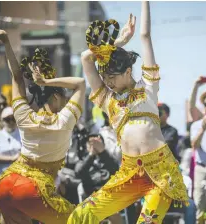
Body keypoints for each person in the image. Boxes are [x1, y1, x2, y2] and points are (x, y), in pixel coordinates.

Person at [67, 2, 188, 224]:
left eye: (112, 76)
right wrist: (117, 43)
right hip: (129, 173)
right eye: (105, 78)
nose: (108, 82)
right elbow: (86, 58)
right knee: (80, 215)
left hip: (161, 173)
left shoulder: (147, 88)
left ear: (128, 71)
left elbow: (144, 36)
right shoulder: (108, 100)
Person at [0, 28, 85, 224]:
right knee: (82, 219)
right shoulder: (63, 120)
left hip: (5, 184)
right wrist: (45, 81)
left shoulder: (23, 116)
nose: (65, 101)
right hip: (30, 189)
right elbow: (80, 83)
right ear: (56, 96)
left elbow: (16, 78)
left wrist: (6, 42)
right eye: (63, 97)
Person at [0, 107, 21, 179]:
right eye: (7, 119)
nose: (11, 122)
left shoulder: (22, 135)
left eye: (13, 119)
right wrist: (13, 158)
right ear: (2, 121)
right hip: (2, 175)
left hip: (20, 175)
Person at [190, 116, 206, 224]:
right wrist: (203, 128)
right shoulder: (196, 125)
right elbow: (194, 145)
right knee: (199, 204)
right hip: (201, 168)